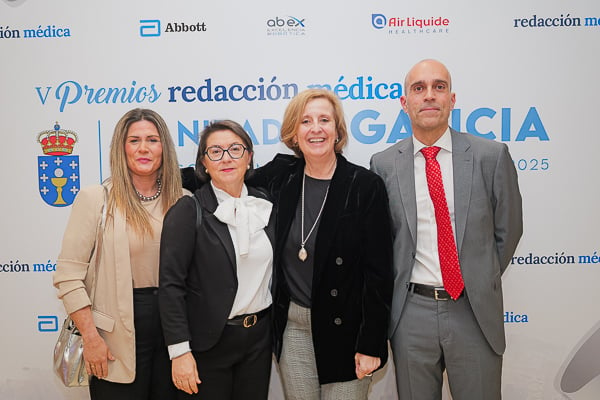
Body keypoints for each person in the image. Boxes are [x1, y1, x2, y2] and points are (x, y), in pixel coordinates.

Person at [370, 59, 523, 400]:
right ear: (404, 103)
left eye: (439, 87)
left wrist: (478, 275)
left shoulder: (490, 156)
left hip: (472, 310)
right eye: (418, 88)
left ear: (452, 99)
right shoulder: (382, 164)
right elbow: (384, 241)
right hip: (411, 313)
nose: (429, 96)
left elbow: (508, 231)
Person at [247, 88, 394, 400]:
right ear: (294, 132)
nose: (316, 128)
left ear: (337, 130)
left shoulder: (364, 186)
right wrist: (162, 178)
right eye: (306, 121)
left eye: (324, 120)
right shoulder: (281, 176)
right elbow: (227, 175)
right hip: (293, 328)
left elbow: (379, 275)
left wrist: (371, 344)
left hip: (348, 331)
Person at [53, 108, 185, 399]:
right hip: (112, 339)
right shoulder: (95, 199)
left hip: (173, 332)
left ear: (164, 147)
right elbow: (68, 277)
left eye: (152, 139)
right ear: (121, 148)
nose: (143, 148)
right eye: (134, 140)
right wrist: (91, 337)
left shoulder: (182, 200)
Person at [159, 120, 275, 400]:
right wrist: (179, 352)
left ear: (249, 158)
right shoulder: (189, 210)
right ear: (204, 163)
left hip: (258, 341)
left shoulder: (264, 203)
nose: (226, 158)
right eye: (215, 151)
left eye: (235, 149)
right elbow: (171, 286)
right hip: (207, 345)